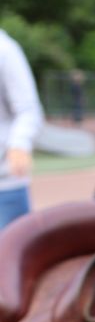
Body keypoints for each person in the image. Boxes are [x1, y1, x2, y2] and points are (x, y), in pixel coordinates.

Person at [0, 29, 43, 229]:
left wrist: (19, 143)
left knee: (9, 254)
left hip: (4, 184)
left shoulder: (5, 50)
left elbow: (28, 109)